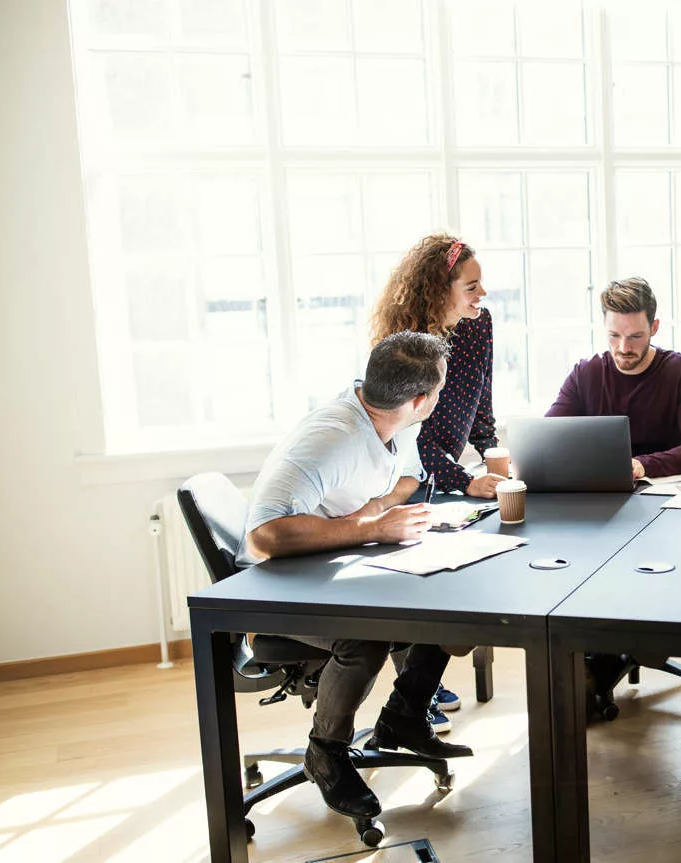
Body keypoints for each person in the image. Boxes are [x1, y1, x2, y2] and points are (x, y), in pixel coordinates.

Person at [239, 331, 472, 823]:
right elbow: (262, 536)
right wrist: (367, 527)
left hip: (340, 563)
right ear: (421, 399)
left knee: (446, 602)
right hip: (273, 585)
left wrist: (379, 512)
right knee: (362, 638)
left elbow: (407, 477)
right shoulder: (331, 438)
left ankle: (403, 719)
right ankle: (325, 751)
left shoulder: (393, 416)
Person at [368, 233, 502, 721]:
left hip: (448, 469)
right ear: (438, 290)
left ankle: (419, 687)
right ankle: (414, 697)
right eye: (471, 285)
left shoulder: (478, 325)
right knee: (416, 582)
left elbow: (481, 401)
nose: (481, 294)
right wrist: (463, 479)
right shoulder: (403, 344)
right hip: (403, 471)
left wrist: (494, 455)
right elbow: (407, 434)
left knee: (446, 573)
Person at [546, 276, 681, 478]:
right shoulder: (585, 374)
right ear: (604, 324)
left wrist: (644, 464)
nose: (623, 348)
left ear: (654, 328)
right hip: (600, 493)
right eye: (614, 335)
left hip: (667, 495)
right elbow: (548, 438)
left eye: (635, 337)